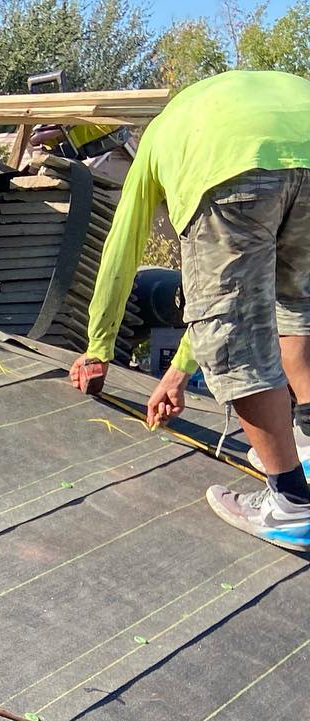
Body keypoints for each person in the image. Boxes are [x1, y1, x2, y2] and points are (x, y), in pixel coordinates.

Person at [70, 70, 310, 554]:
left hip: (235, 169)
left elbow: (124, 251)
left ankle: (291, 505)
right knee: (299, 314)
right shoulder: (244, 96)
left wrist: (99, 348)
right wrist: (178, 375)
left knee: (237, 340)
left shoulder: (164, 135)